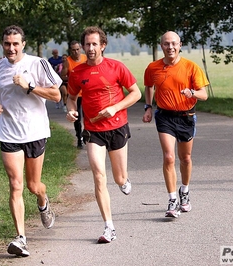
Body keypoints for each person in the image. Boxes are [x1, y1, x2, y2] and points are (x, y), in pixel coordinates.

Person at [0, 25, 61, 257]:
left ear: (23, 44)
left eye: (16, 43)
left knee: (33, 186)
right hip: (8, 131)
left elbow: (57, 94)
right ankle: (21, 238)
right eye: (7, 43)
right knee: (15, 184)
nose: (11, 48)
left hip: (35, 132)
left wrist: (31, 86)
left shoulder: (38, 64)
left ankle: (43, 201)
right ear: (2, 44)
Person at [66, 26, 141, 243]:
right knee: (99, 175)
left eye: (94, 44)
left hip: (117, 127)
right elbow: (71, 98)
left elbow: (135, 93)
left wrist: (115, 108)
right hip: (93, 130)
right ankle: (109, 226)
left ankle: (124, 180)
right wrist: (71, 110)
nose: (90, 48)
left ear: (103, 46)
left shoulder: (116, 67)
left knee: (118, 178)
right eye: (87, 44)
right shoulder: (77, 72)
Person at [142, 31, 208, 218]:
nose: (170, 47)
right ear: (161, 46)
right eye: (166, 44)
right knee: (169, 157)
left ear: (180, 45)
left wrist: (192, 93)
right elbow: (148, 86)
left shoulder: (191, 67)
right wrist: (148, 107)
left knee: (185, 158)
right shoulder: (153, 67)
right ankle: (172, 199)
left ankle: (184, 191)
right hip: (165, 117)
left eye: (173, 44)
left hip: (186, 117)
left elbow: (204, 94)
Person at [61, 41, 87, 149]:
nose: (76, 52)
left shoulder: (86, 58)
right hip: (75, 94)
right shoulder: (68, 61)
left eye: (77, 49)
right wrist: (74, 79)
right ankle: (79, 138)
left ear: (80, 48)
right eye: (73, 50)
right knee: (77, 117)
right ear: (70, 51)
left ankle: (89, 136)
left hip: (86, 93)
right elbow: (62, 76)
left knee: (88, 117)